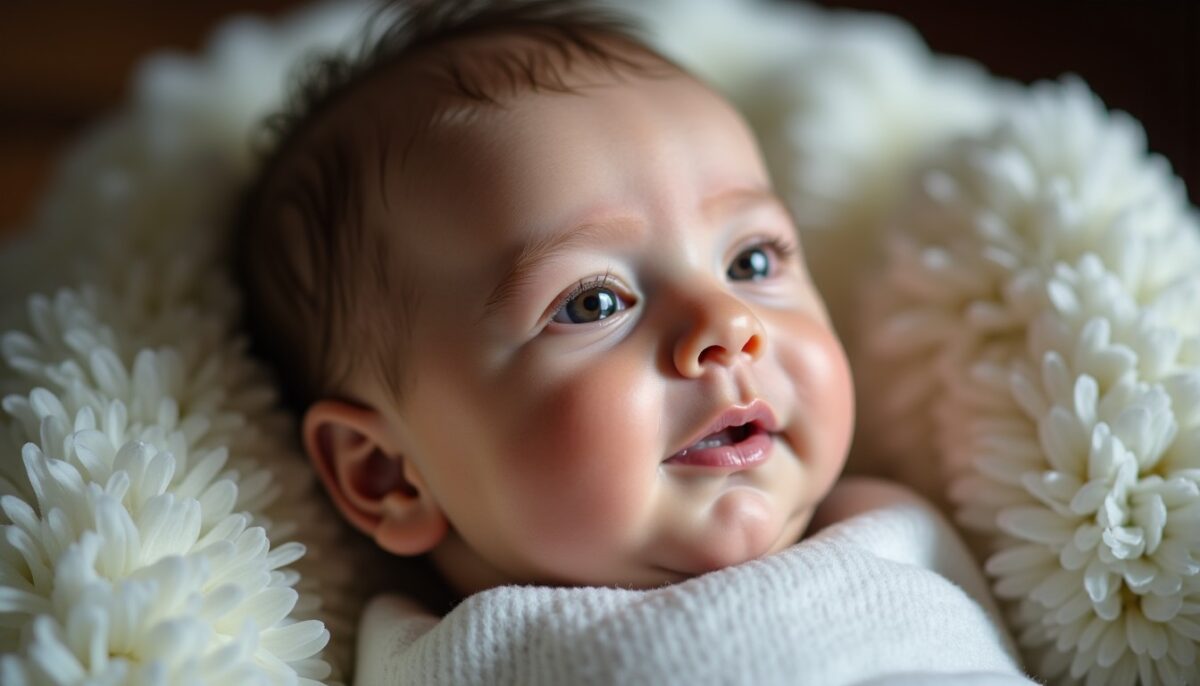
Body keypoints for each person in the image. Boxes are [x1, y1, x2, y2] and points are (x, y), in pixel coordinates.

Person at [233, 2, 1031, 683]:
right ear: (386, 474)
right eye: (594, 302)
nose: (728, 325)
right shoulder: (436, 656)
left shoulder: (899, 533)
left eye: (751, 262)